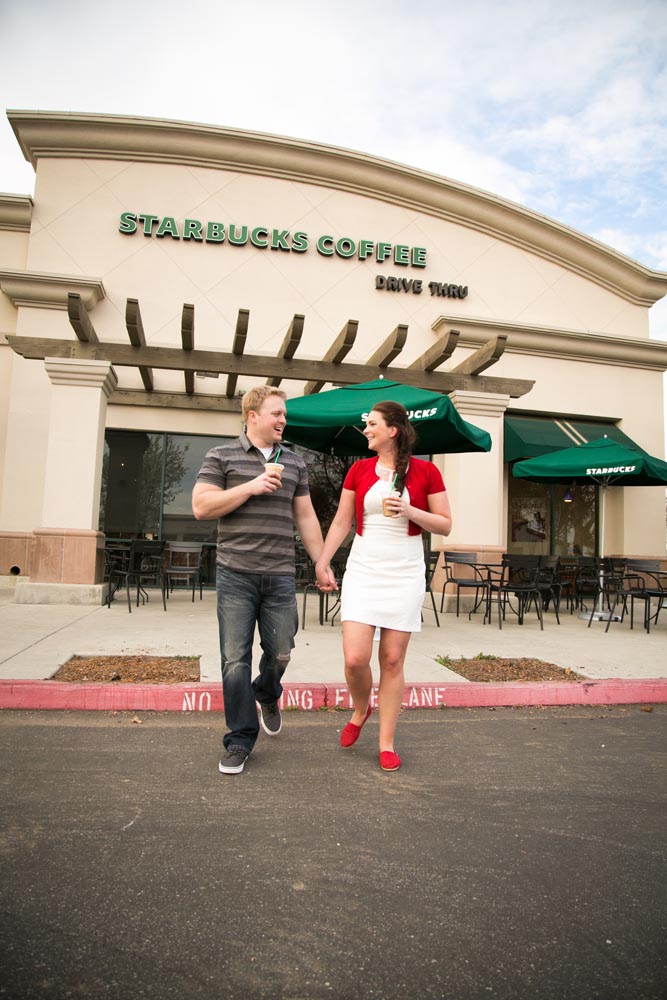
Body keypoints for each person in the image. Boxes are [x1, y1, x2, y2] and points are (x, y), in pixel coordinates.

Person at [192, 385, 334, 775]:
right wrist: (252, 486)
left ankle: (267, 692)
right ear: (252, 416)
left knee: (282, 649)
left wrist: (321, 561)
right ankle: (239, 738)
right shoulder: (221, 455)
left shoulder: (295, 462)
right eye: (276, 414)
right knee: (234, 660)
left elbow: (305, 517)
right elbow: (201, 506)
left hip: (280, 574)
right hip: (235, 573)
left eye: (284, 415)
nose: (283, 420)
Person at [316, 401, 452, 772]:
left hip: (405, 569)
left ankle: (387, 743)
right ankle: (362, 707)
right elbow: (343, 522)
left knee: (392, 660)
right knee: (355, 658)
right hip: (364, 567)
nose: (366, 430)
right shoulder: (358, 470)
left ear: (392, 430)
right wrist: (323, 560)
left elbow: (444, 525)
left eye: (372, 424)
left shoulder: (426, 472)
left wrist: (410, 511)